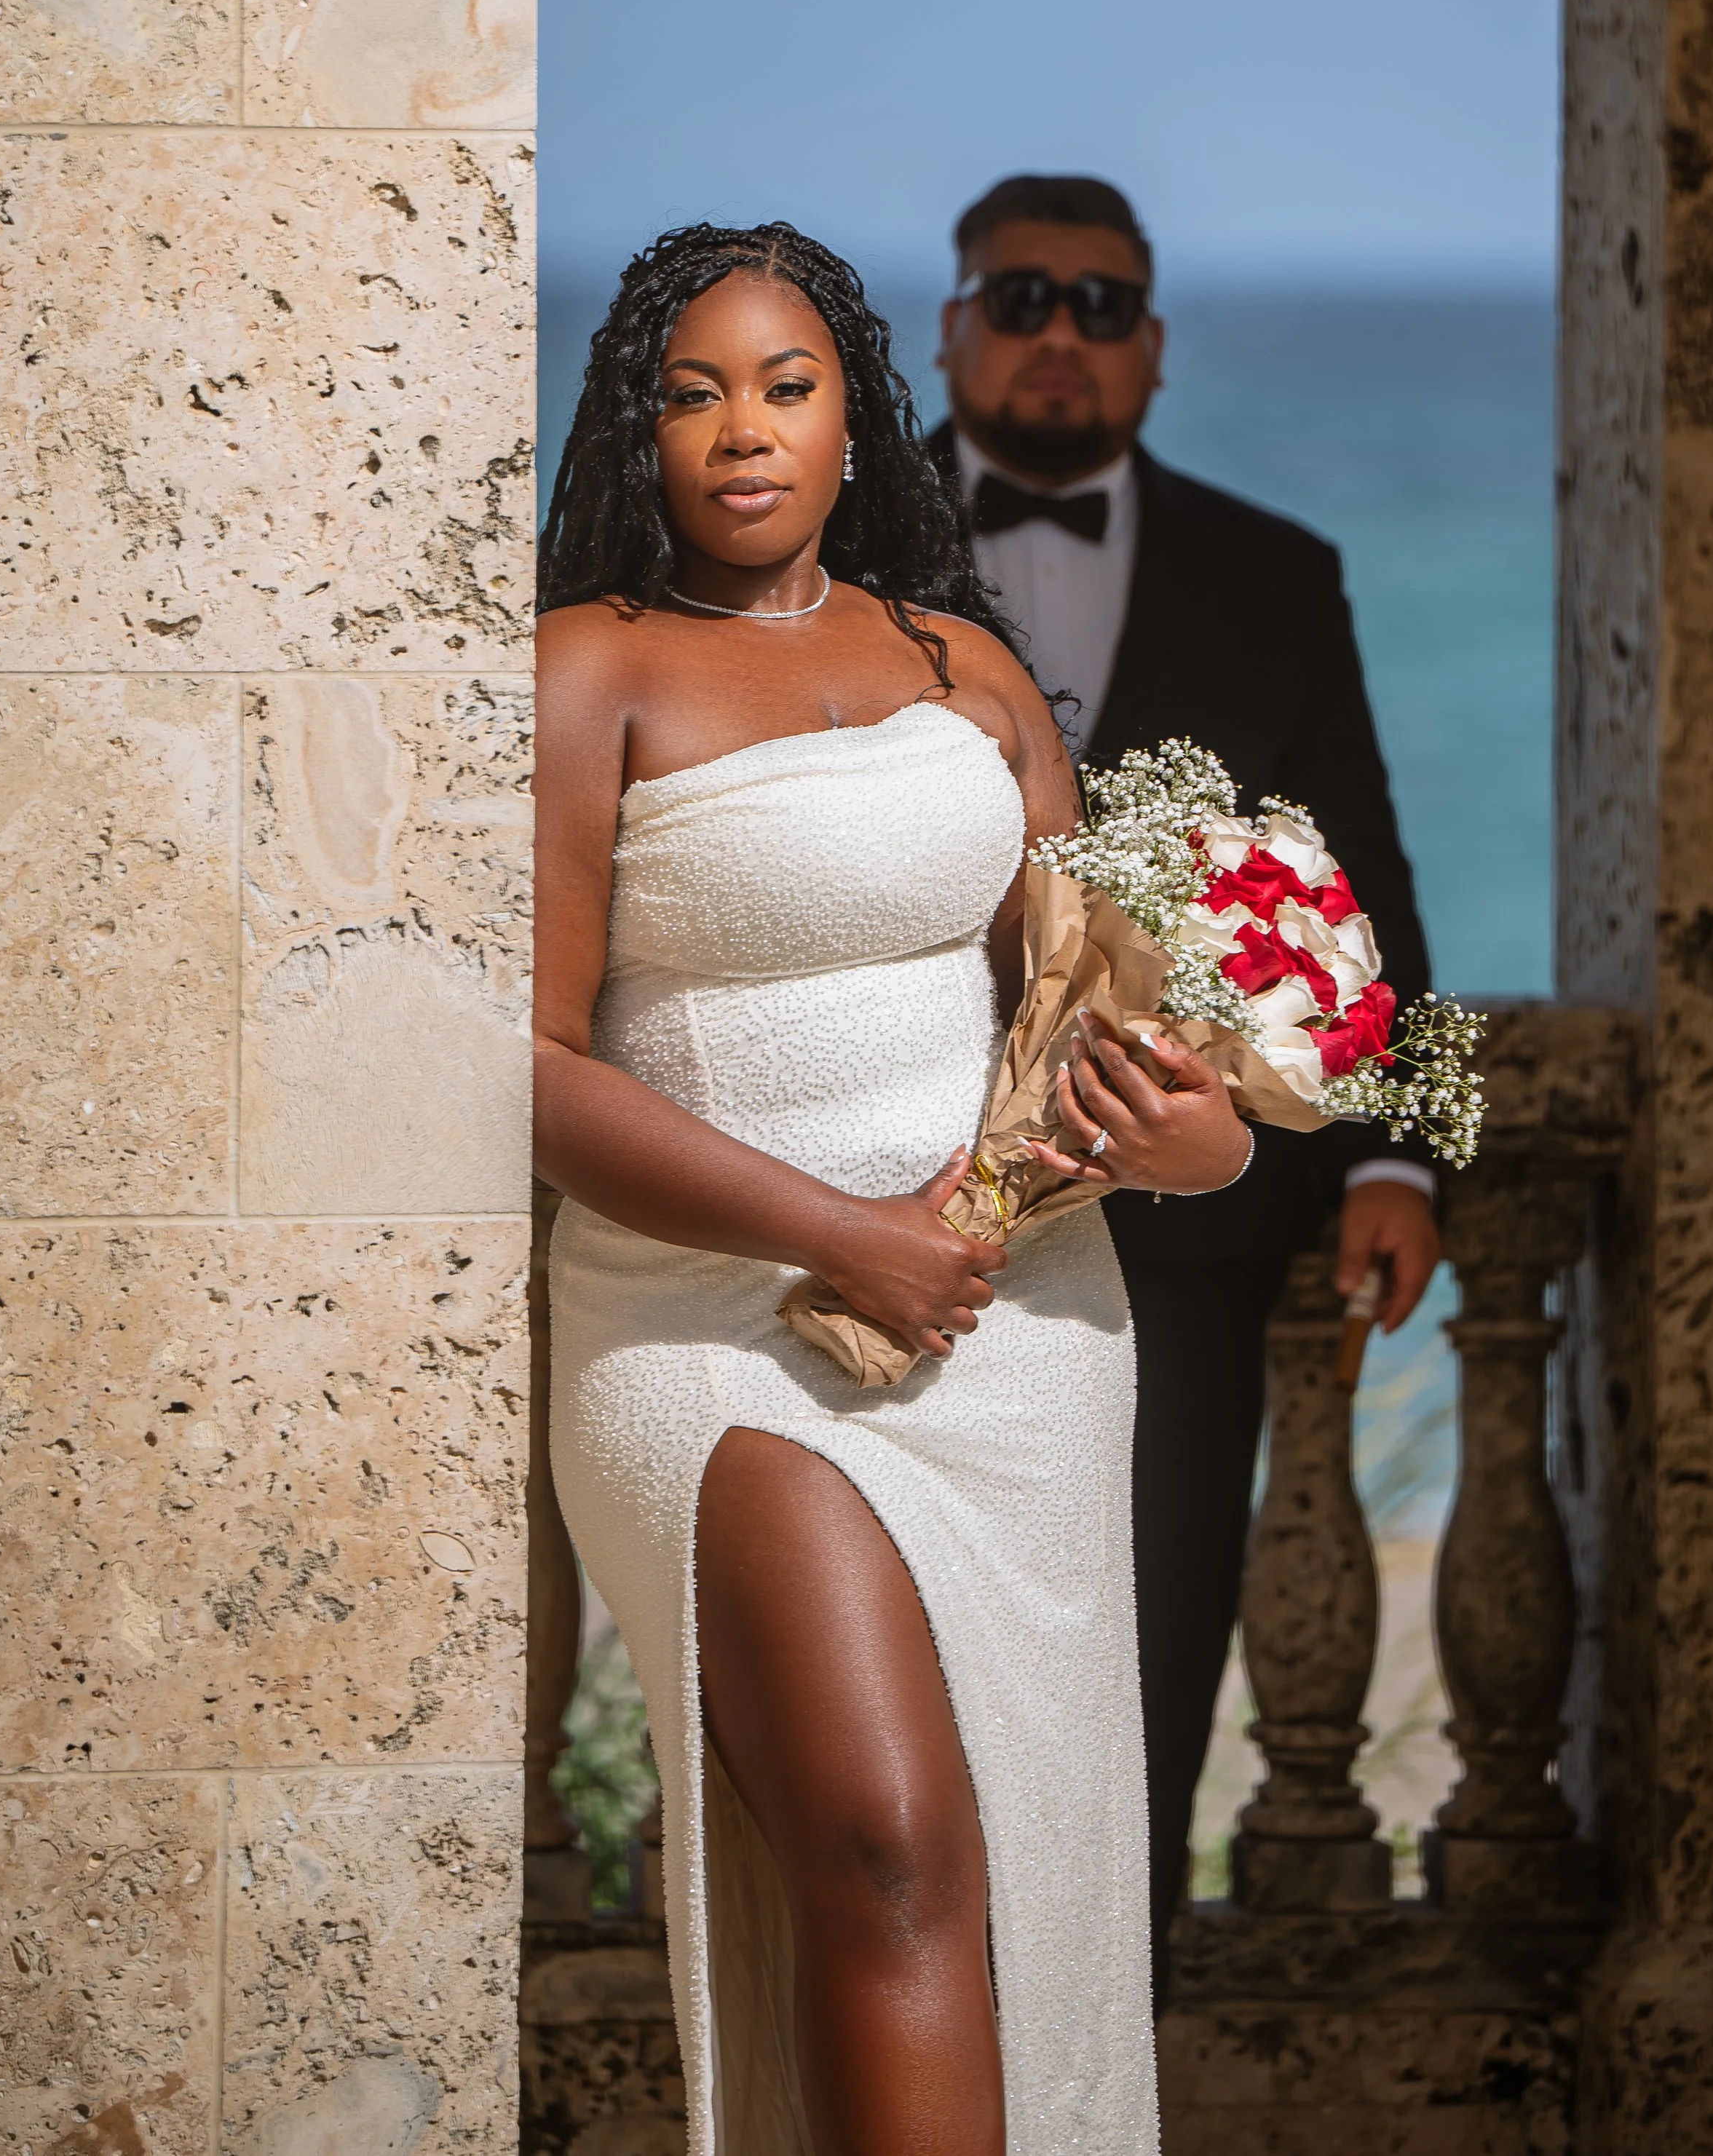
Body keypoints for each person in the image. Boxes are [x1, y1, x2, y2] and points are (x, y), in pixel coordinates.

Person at [534, 219, 1255, 2156]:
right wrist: (839, 1228)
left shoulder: (968, 667)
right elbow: (518, 1063)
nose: (740, 432)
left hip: (1019, 1342)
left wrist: (1180, 1125)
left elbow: (1122, 1052)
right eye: (691, 393)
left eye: (785, 385)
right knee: (885, 1835)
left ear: (859, 413)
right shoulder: (586, 669)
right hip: (718, 1331)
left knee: (1021, 1864)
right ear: (639, 422)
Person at [927, 173, 1442, 1995]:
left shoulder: (1275, 574)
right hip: (889, 1211)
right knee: (897, 1708)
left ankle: (1091, 2070)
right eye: (1019, 297)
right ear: (950, 329)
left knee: (1139, 1694)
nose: (1056, 333)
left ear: (1149, 350)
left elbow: (1356, 874)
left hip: (1183, 1251)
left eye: (1097, 302)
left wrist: (1396, 1161)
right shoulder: (834, 552)